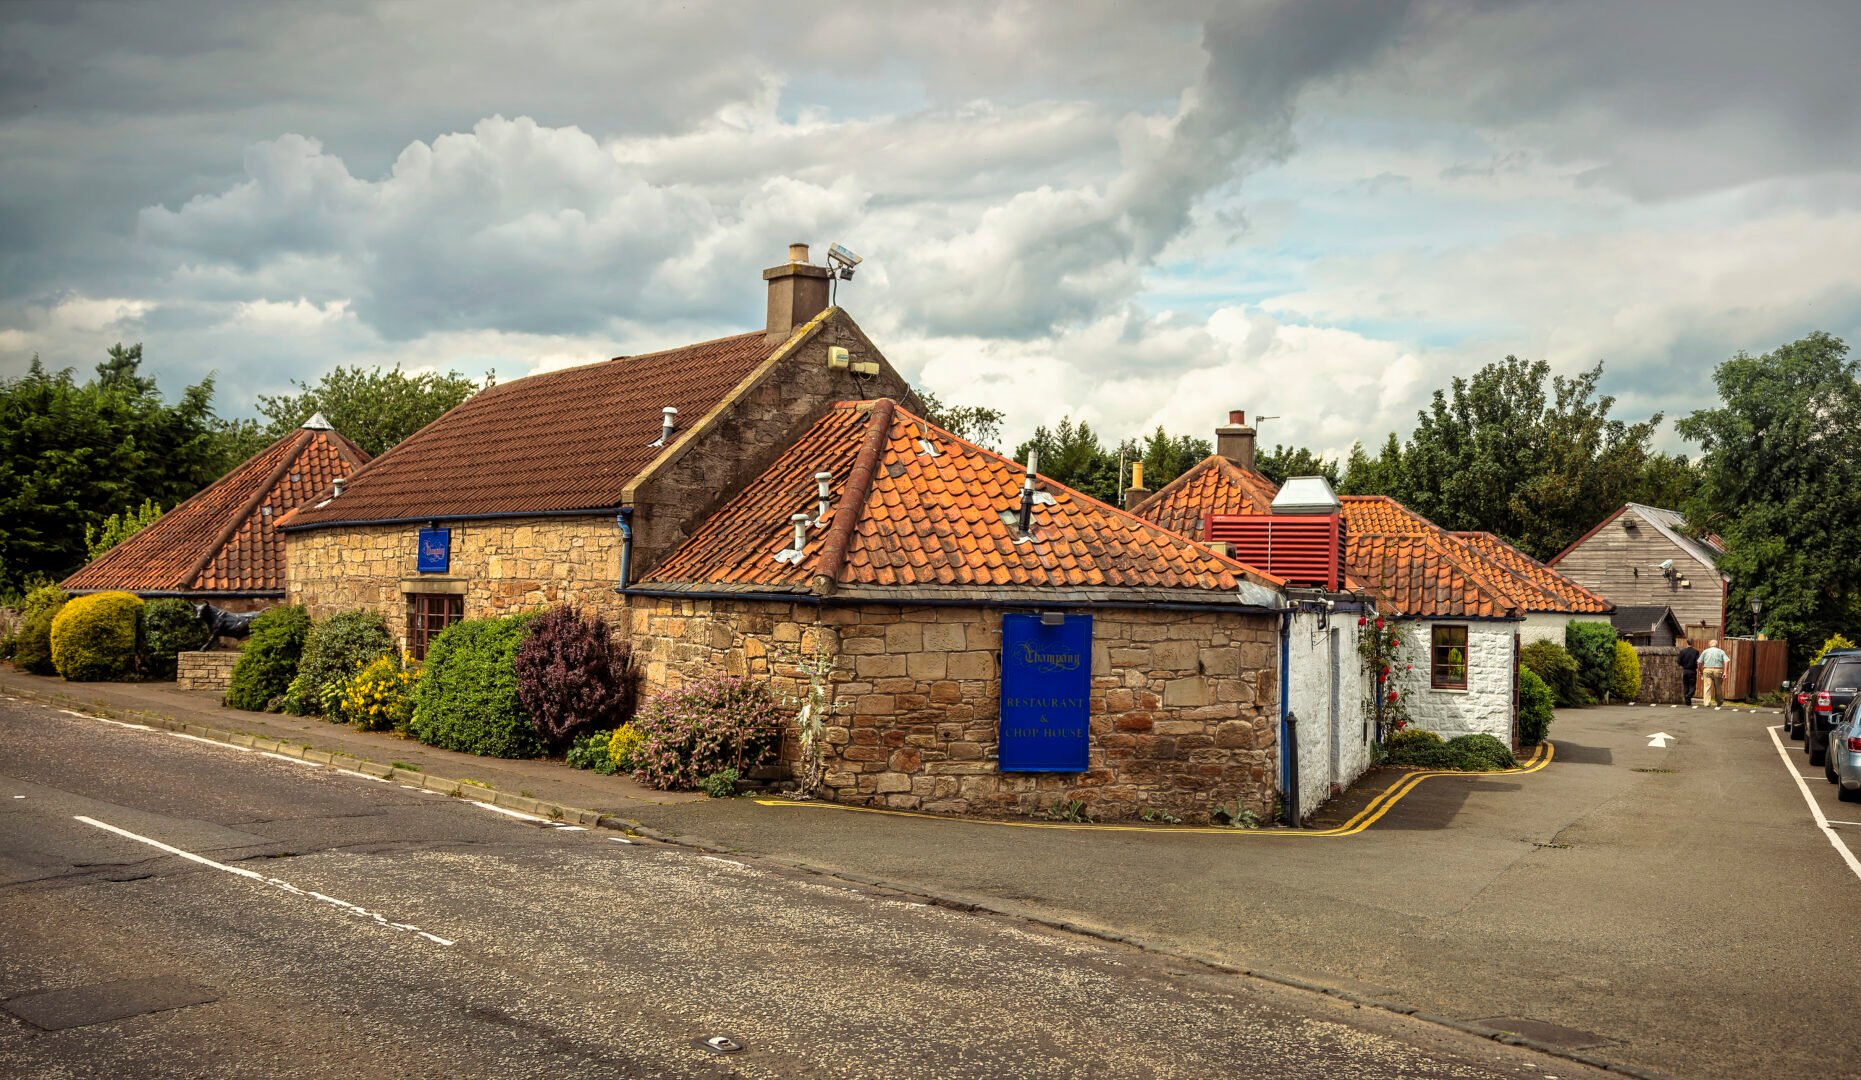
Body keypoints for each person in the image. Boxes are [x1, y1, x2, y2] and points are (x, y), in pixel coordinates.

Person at [1699, 639, 1729, 706]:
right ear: (1717, 645)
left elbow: (1699, 662)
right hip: (1718, 670)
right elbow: (1726, 661)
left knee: (1707, 687)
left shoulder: (1705, 651)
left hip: (1707, 669)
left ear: (1709, 645)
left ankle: (1707, 703)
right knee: (1718, 687)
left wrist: (1701, 671)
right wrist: (1725, 672)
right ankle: (1719, 701)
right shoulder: (1721, 651)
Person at [1677, 640, 1700, 704]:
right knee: (1692, 686)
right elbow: (1697, 661)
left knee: (1686, 685)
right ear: (1692, 643)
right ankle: (1688, 695)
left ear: (1687, 643)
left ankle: (1687, 701)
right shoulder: (1696, 652)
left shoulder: (1682, 651)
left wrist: (1683, 665)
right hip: (1692, 671)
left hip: (1685, 670)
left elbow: (1679, 661)